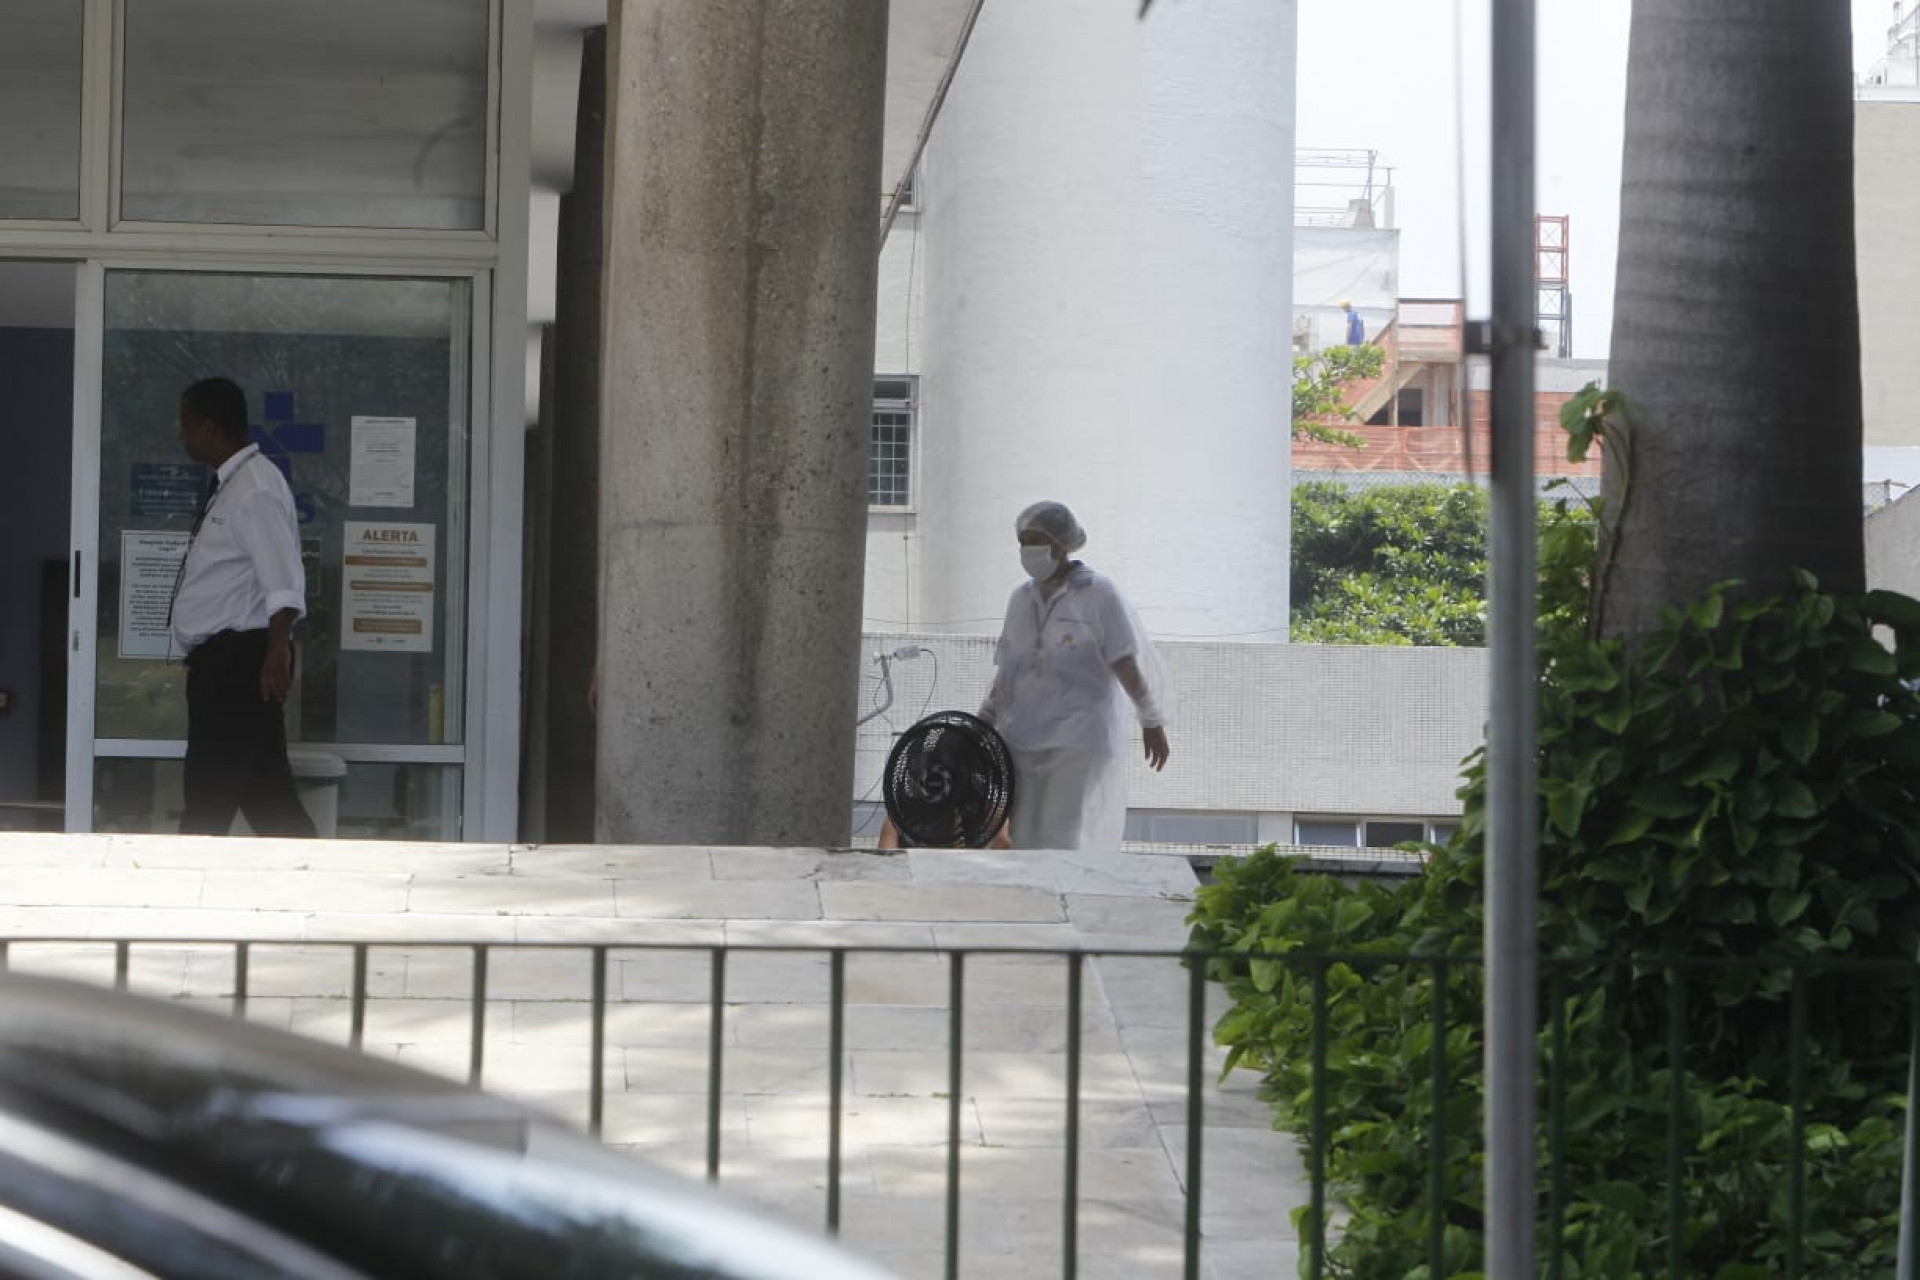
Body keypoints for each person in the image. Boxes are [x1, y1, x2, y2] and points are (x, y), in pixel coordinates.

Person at [977, 501, 1171, 851]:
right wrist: (982, 721)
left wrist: (1150, 718)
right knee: (1023, 831)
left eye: (1036, 540)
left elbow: (1123, 660)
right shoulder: (1020, 599)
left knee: (1059, 830)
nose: (1028, 550)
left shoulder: (1097, 593)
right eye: (1023, 541)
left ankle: (1059, 900)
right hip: (1023, 734)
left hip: (1077, 734)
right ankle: (1033, 901)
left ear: (1062, 544)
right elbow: (1008, 669)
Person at [170, 377, 316, 838]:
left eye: (186, 425)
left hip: (237, 664)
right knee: (268, 799)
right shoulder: (234, 483)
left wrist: (278, 649)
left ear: (209, 429)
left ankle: (183, 889)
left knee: (207, 799)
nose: (183, 435)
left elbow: (283, 576)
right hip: (226, 663)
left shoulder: (254, 487)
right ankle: (316, 882)